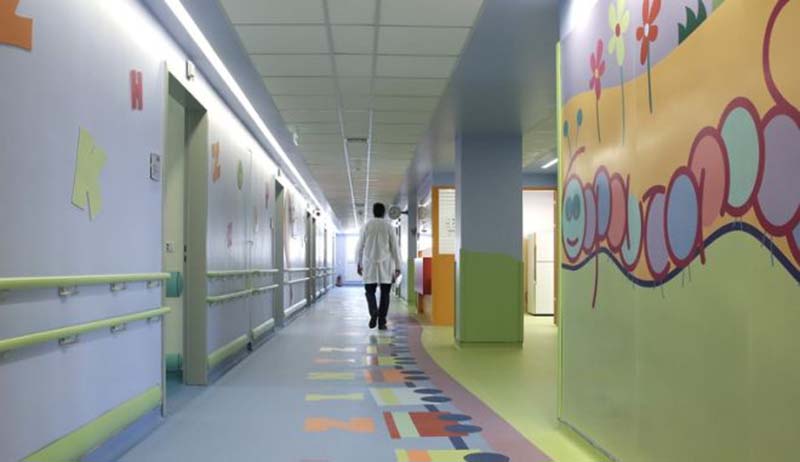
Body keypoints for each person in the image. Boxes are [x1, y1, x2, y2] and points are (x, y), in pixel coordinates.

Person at [356, 202, 401, 330]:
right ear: (384, 213)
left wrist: (358, 263)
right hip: (386, 265)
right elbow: (395, 248)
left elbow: (360, 247)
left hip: (369, 264)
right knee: (385, 293)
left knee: (369, 291)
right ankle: (381, 321)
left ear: (373, 212)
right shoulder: (388, 226)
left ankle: (373, 312)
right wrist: (398, 266)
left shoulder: (366, 226)